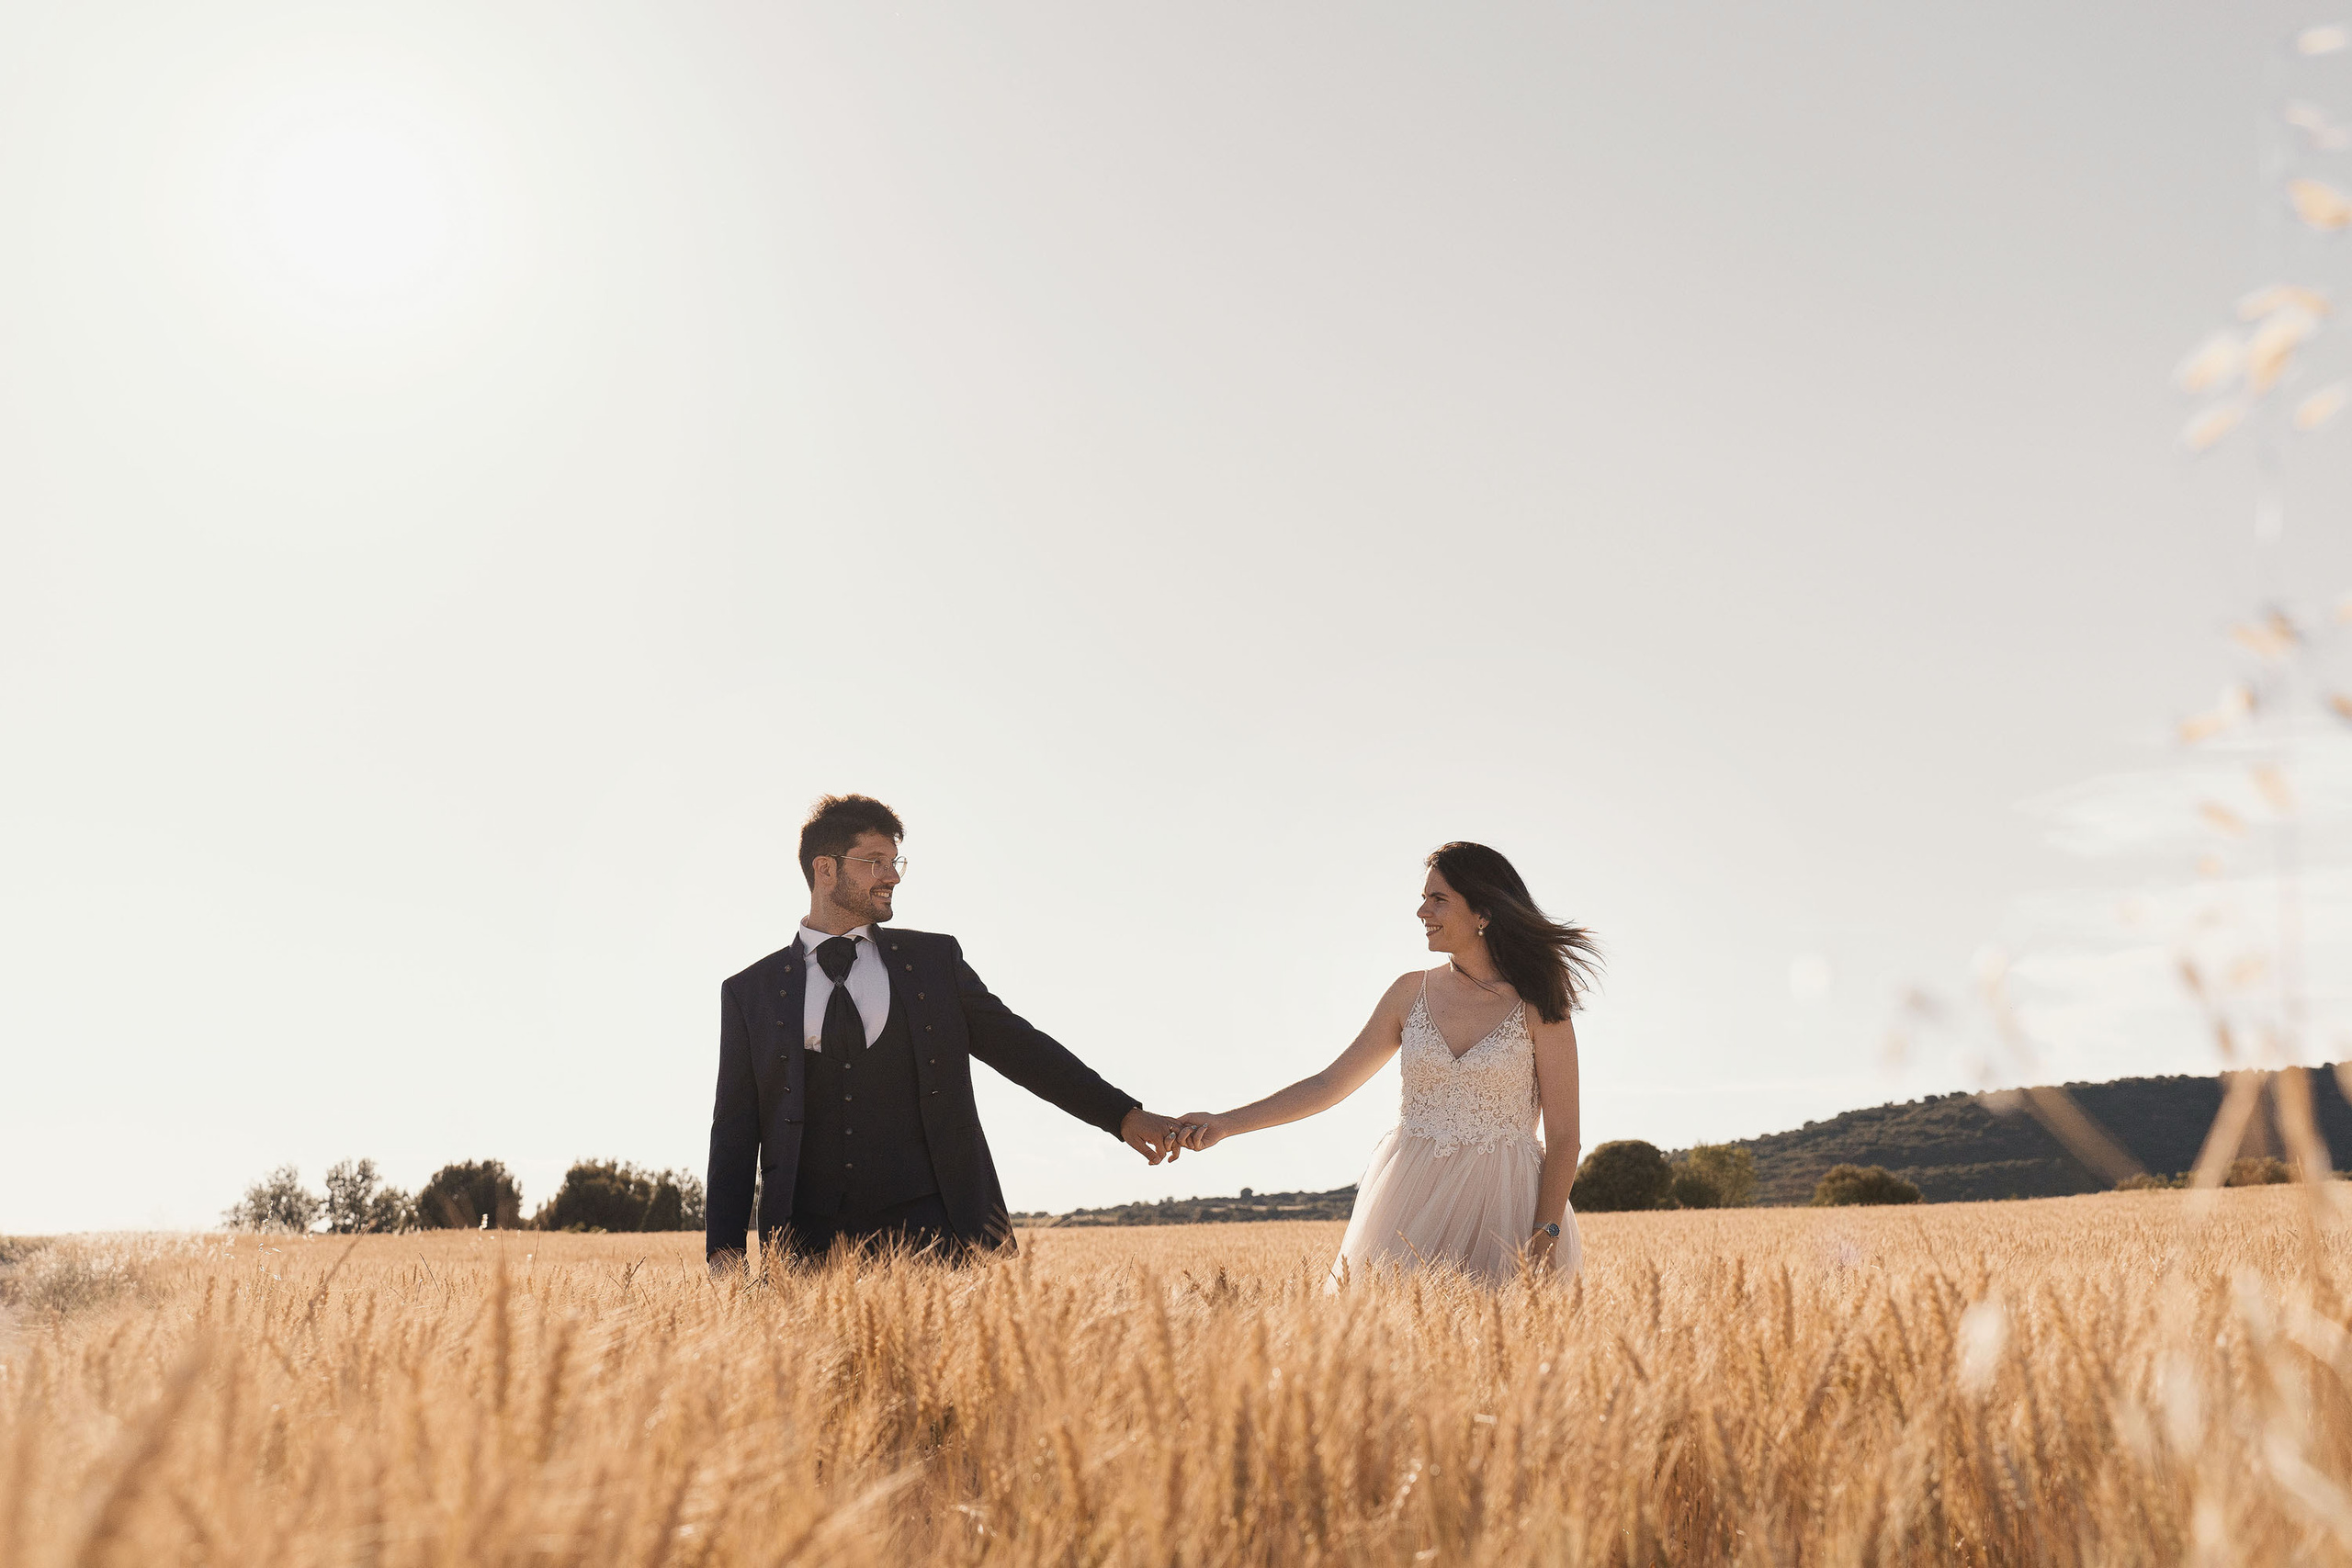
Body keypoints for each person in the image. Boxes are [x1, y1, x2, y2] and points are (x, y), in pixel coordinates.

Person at [706, 795, 1186, 1269]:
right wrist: (725, 1254)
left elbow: (1021, 1049)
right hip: (806, 1247)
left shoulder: (933, 963)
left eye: (896, 863)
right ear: (825, 869)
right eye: (875, 862)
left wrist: (1121, 1115)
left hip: (940, 1234)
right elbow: (733, 1132)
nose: (892, 876)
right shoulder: (751, 993)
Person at [1173, 842, 1596, 1283]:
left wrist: (1544, 1235)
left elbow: (1565, 1138)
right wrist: (1224, 1123)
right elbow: (1328, 1085)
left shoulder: (1539, 1005)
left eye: (1439, 899)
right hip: (1408, 1198)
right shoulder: (1408, 993)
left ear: (1482, 914)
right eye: (1423, 898)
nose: (1421, 912)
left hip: (1508, 1205)